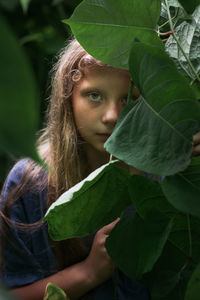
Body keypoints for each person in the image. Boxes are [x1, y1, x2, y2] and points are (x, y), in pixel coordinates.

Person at [0, 37, 199, 300]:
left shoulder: (170, 172)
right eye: (94, 95)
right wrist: (90, 272)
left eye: (129, 99)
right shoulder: (30, 182)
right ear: (67, 98)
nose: (112, 116)